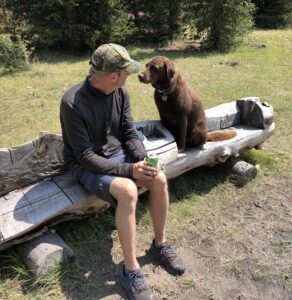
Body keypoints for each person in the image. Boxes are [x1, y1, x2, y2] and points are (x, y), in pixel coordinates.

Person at [60, 43, 185, 300]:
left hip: (118, 156)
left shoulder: (120, 93)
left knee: (158, 177)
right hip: (87, 164)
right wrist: (129, 170)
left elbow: (129, 133)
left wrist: (145, 160)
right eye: (126, 72)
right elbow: (84, 156)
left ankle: (159, 245)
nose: (131, 76)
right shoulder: (72, 103)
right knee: (128, 190)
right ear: (114, 75)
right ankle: (130, 269)